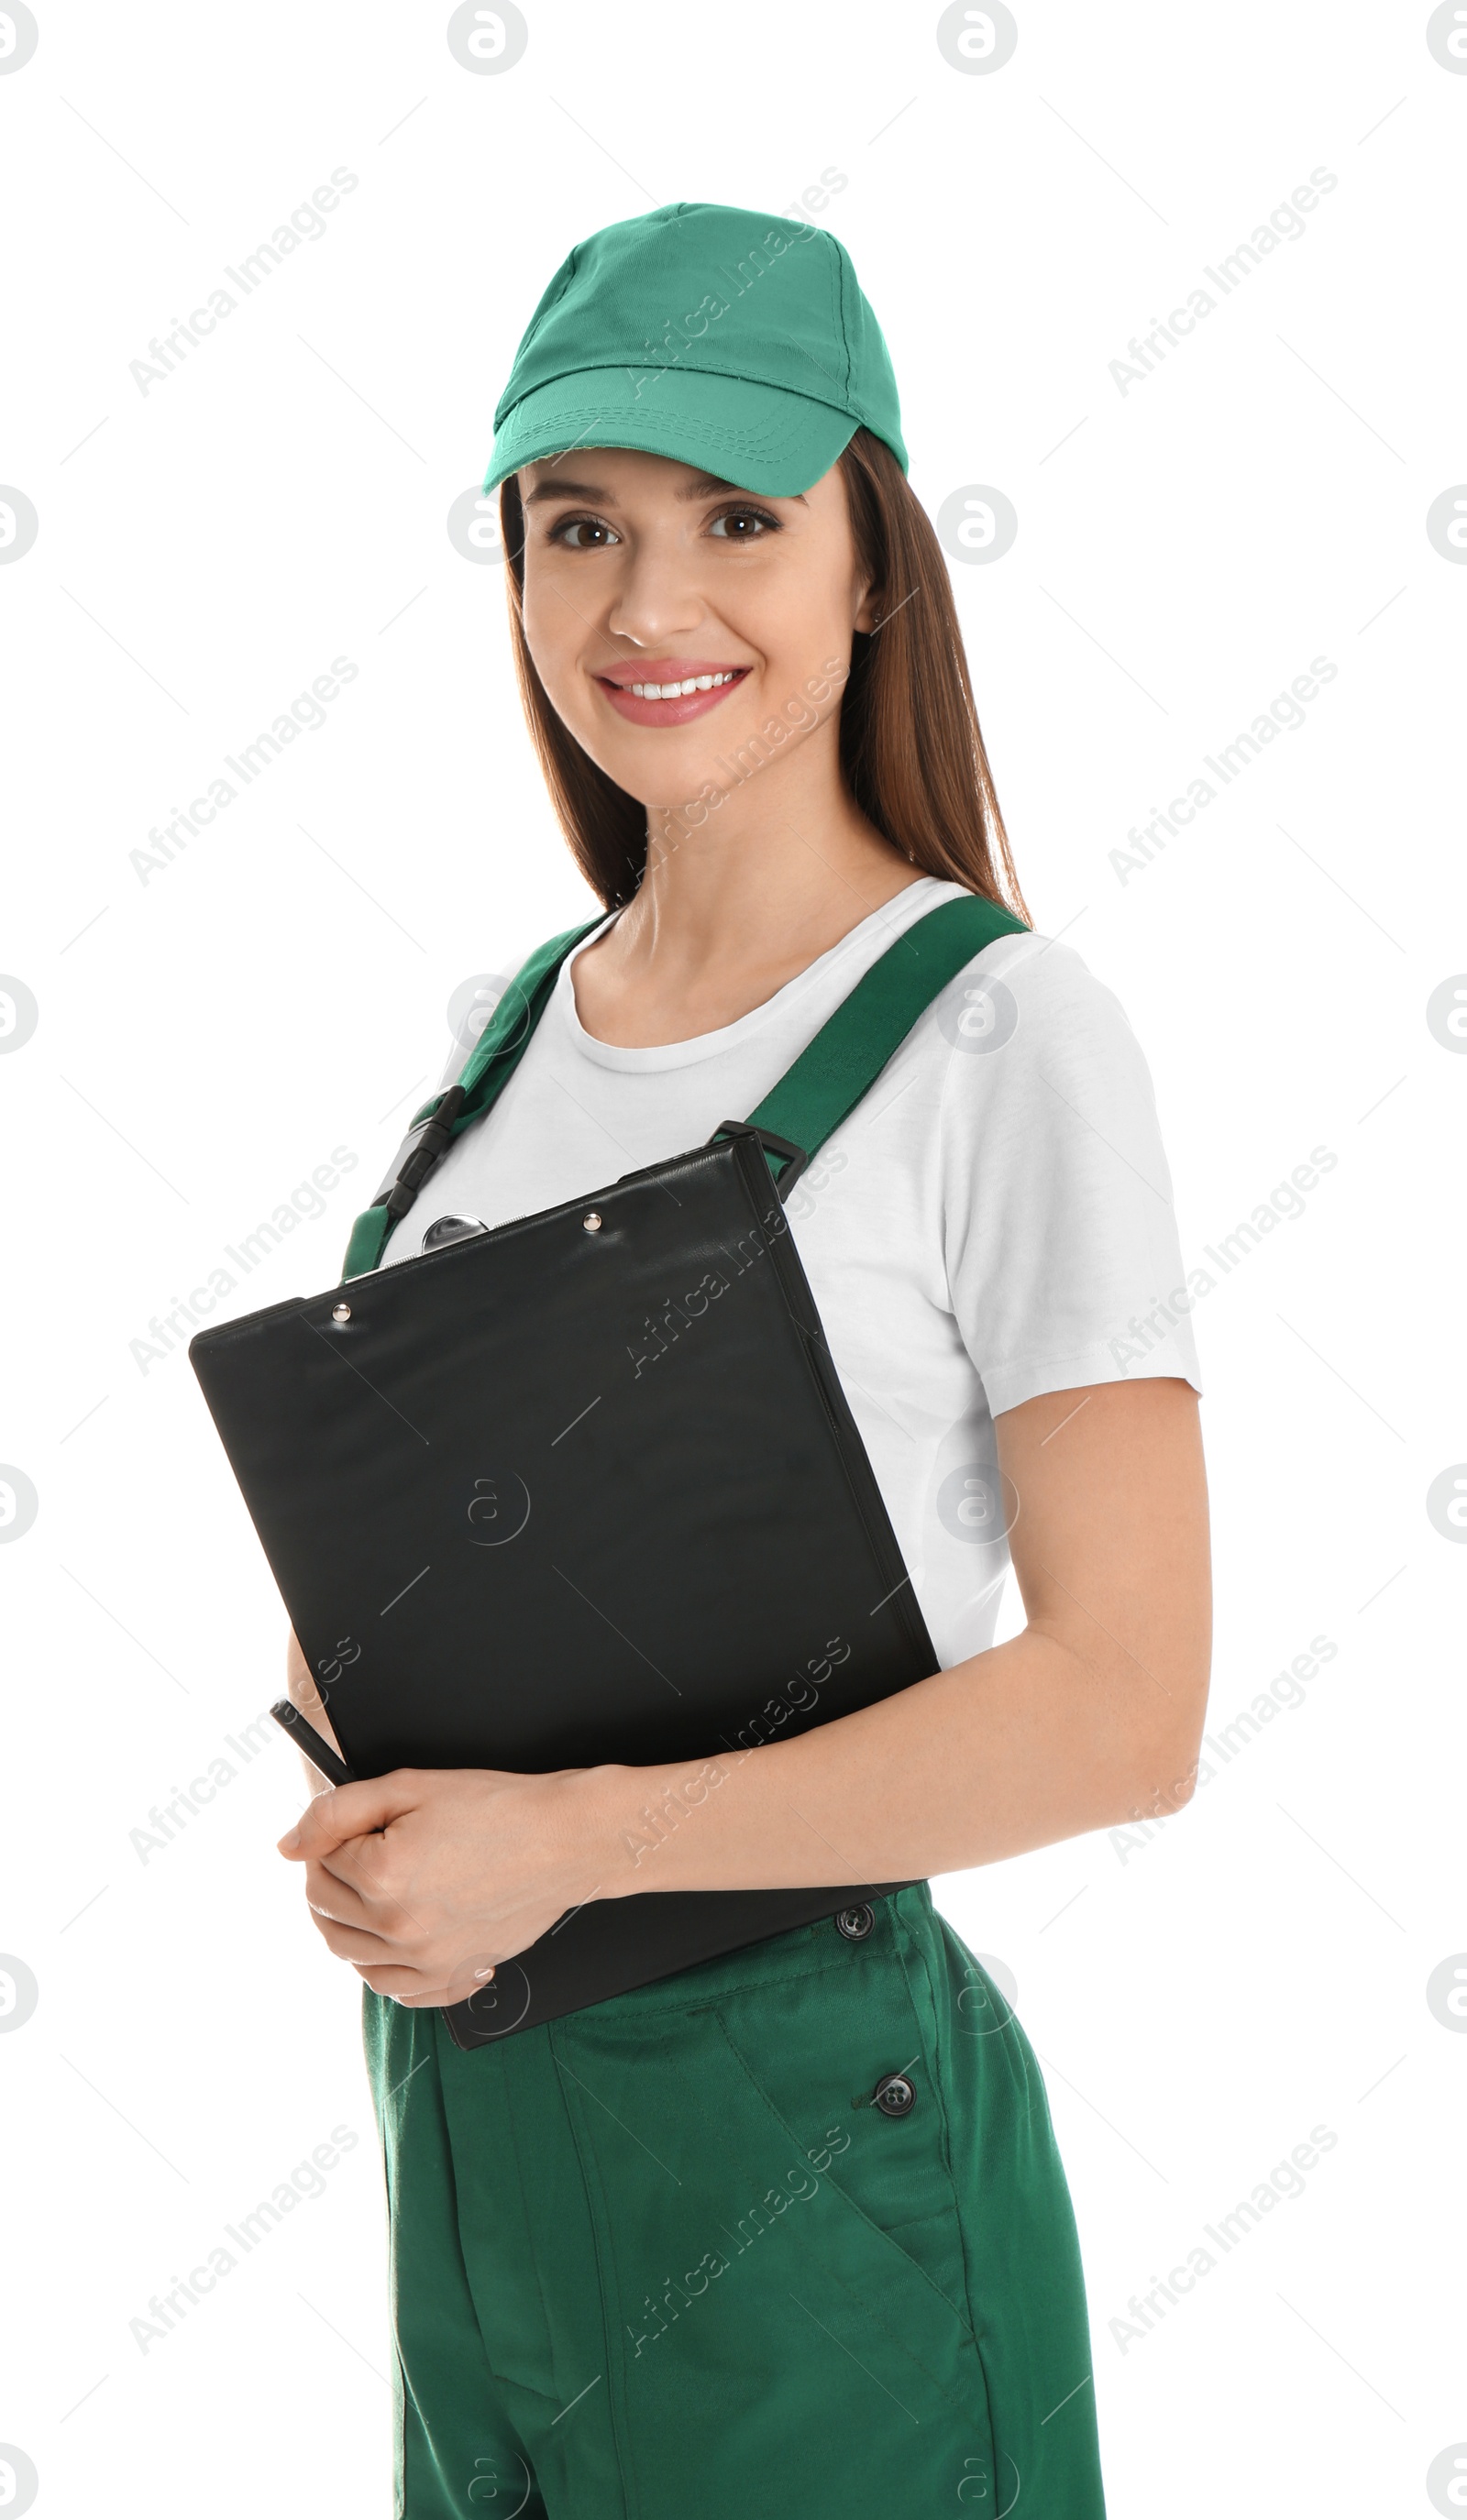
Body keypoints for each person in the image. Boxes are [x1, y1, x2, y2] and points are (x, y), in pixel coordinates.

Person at [276, 202, 1209, 2518]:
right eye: (574, 523)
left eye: (733, 520)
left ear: (870, 562)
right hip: (474, 2156)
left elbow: (1125, 1709)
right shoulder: (508, 1040)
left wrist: (565, 1845)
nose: (643, 604)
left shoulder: (999, 1033)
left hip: (814, 2195)